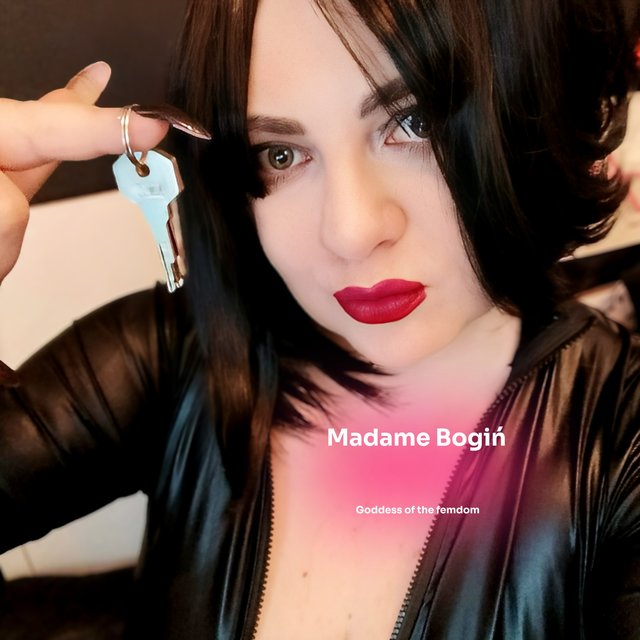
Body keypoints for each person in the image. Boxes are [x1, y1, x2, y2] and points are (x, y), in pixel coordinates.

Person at [1, 0, 639, 638]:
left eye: (413, 122)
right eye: (279, 155)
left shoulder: (622, 435)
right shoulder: (173, 349)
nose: (350, 232)